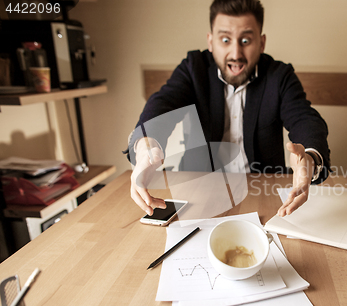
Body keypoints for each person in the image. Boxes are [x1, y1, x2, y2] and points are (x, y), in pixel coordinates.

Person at [127, 0, 330, 218]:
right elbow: (162, 104)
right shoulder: (193, 68)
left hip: (261, 192)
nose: (236, 52)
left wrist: (308, 159)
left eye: (245, 40)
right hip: (199, 191)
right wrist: (146, 149)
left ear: (261, 43)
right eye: (225, 40)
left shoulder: (279, 76)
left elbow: (305, 119)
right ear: (211, 41)